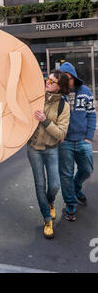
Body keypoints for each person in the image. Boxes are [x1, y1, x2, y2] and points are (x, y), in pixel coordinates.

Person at [27, 70, 70, 239]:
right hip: (33, 148)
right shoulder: (37, 97)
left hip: (51, 149)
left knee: (54, 185)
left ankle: (50, 201)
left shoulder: (63, 106)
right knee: (39, 184)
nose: (47, 83)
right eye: (47, 79)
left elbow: (61, 134)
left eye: (52, 82)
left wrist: (45, 120)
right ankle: (47, 219)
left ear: (60, 87)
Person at [58, 62, 96, 221]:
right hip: (64, 141)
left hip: (82, 140)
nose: (64, 81)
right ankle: (70, 203)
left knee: (87, 169)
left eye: (66, 78)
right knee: (65, 174)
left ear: (72, 77)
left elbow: (92, 115)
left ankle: (76, 187)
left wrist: (88, 136)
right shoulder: (58, 94)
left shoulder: (86, 92)